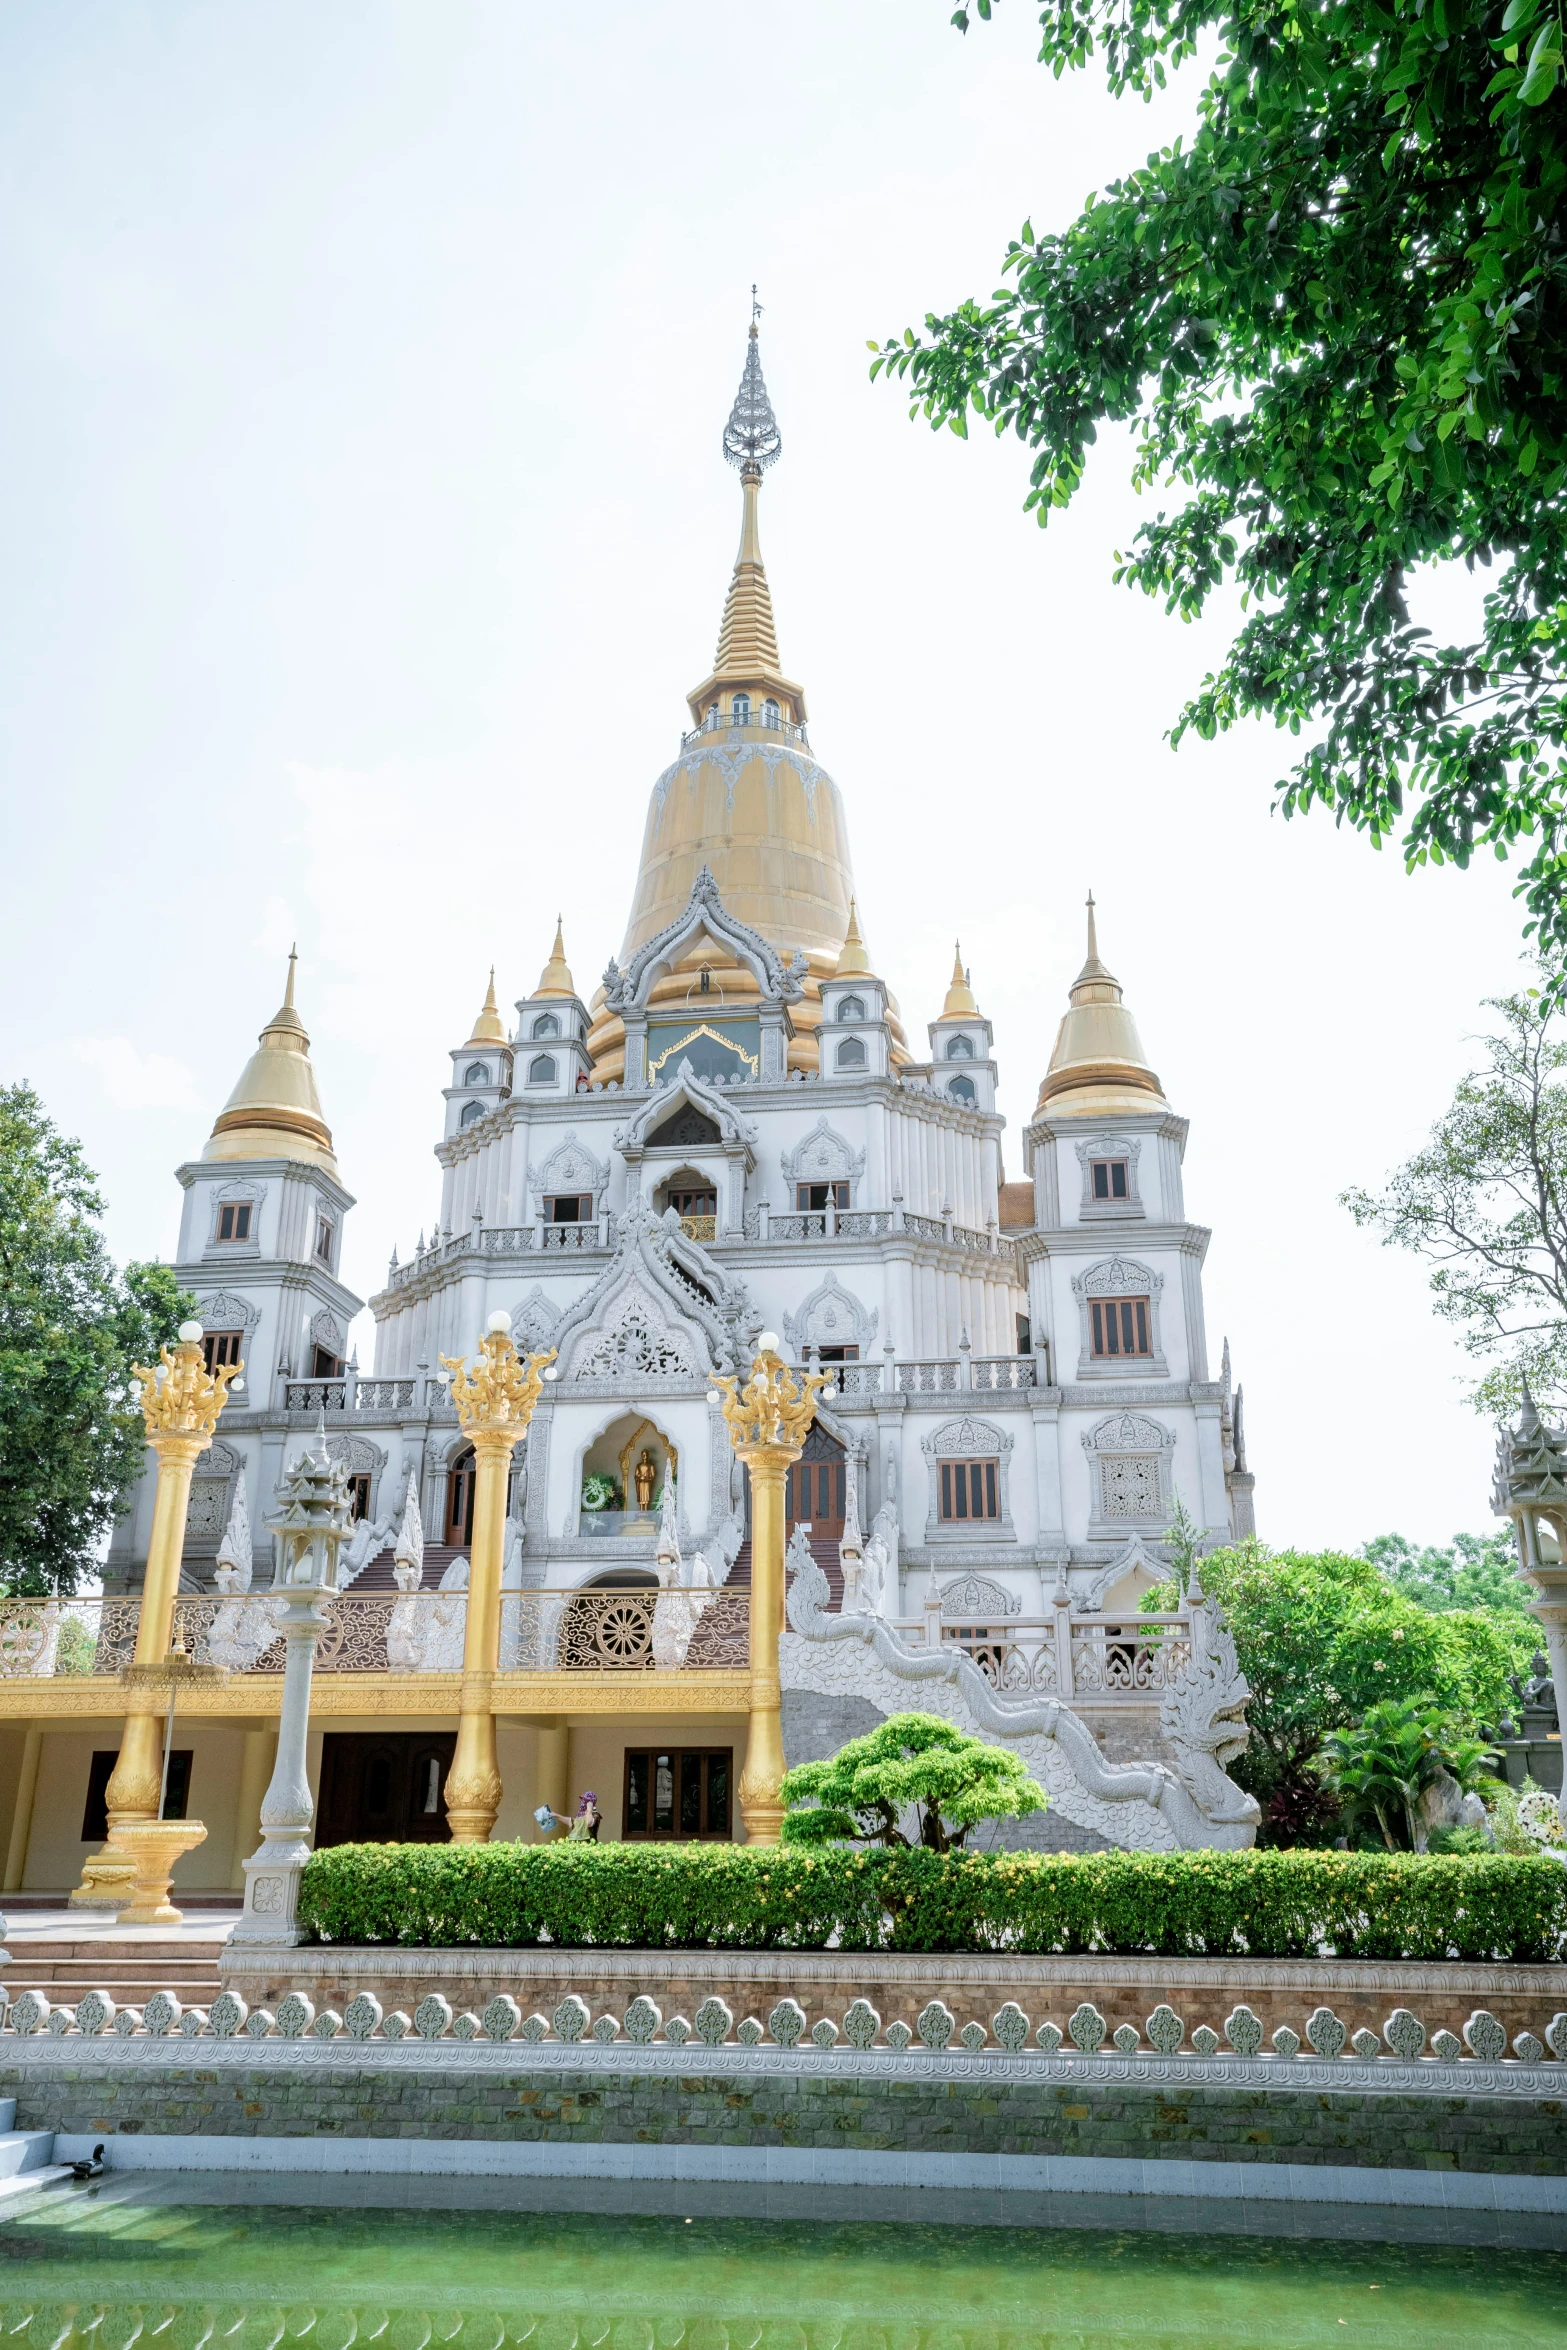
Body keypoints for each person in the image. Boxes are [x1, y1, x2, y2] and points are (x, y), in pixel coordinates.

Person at [536, 1790, 601, 1840]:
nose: (583, 1802)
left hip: (588, 1848)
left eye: (585, 1800)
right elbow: (571, 1822)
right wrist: (556, 1815)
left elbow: (589, 1823)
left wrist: (589, 1809)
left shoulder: (595, 1815)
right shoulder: (580, 1815)